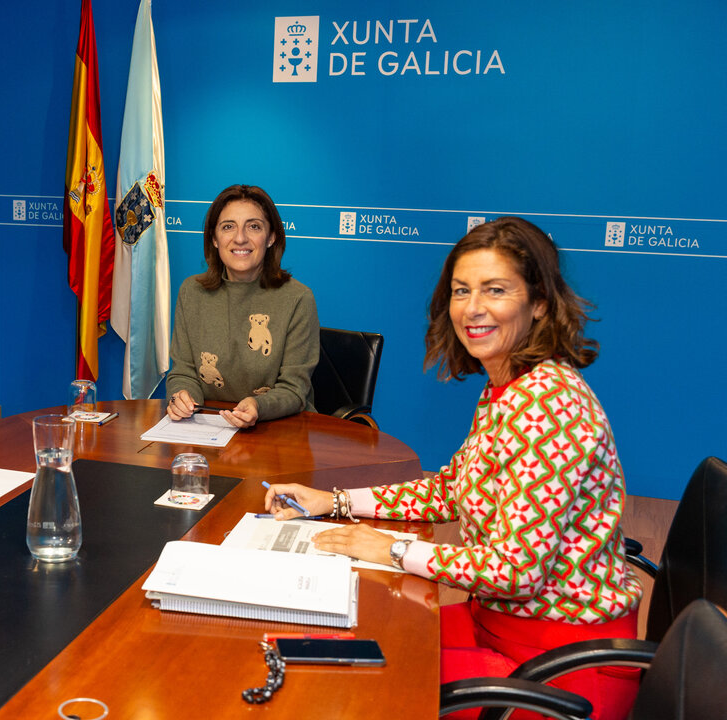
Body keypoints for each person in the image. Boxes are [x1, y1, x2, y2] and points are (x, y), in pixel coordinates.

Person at [264, 217, 642, 720]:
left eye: (496, 289)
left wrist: (395, 549)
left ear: (540, 303)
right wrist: (334, 502)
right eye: (461, 290)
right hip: (500, 626)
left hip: (553, 669)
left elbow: (516, 570)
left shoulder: (548, 404)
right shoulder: (510, 384)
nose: (472, 307)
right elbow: (453, 488)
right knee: (327, 641)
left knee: (335, 683)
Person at [165, 184, 319, 429]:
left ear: (271, 237)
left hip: (280, 432)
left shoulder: (298, 298)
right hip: (209, 428)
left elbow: (295, 388)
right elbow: (183, 372)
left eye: (254, 226)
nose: (240, 238)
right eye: (228, 227)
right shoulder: (191, 292)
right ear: (214, 238)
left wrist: (259, 406)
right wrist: (182, 397)